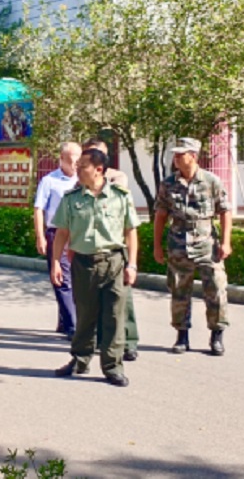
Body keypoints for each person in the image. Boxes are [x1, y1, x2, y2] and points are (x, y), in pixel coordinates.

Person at [50, 148, 140, 388]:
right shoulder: (72, 198)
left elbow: (130, 232)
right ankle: (80, 360)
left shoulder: (120, 196)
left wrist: (132, 264)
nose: (77, 169)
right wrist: (56, 262)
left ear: (99, 169)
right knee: (85, 315)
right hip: (83, 263)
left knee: (114, 317)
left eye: (83, 166)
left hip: (114, 262)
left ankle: (113, 366)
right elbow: (62, 233)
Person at [153, 137, 233, 356]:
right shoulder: (168, 183)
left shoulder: (211, 181)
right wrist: (157, 246)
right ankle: (182, 337)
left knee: (216, 289)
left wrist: (226, 242)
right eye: (175, 155)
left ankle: (216, 336)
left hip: (207, 244)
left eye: (181, 155)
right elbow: (160, 215)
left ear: (193, 156)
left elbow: (225, 211)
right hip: (178, 244)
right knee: (179, 291)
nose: (177, 159)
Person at [82, 138, 140, 361]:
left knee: (122, 299)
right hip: (91, 248)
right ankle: (101, 341)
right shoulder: (81, 179)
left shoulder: (117, 177)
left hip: (116, 247)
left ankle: (129, 341)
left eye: (97, 153)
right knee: (93, 300)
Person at [33, 141, 82, 339]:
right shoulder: (49, 181)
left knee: (77, 279)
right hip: (57, 233)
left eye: (78, 160)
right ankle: (72, 326)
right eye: (72, 160)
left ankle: (64, 320)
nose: (75, 165)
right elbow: (39, 209)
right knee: (62, 279)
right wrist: (40, 236)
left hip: (78, 234)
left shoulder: (83, 179)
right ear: (61, 159)